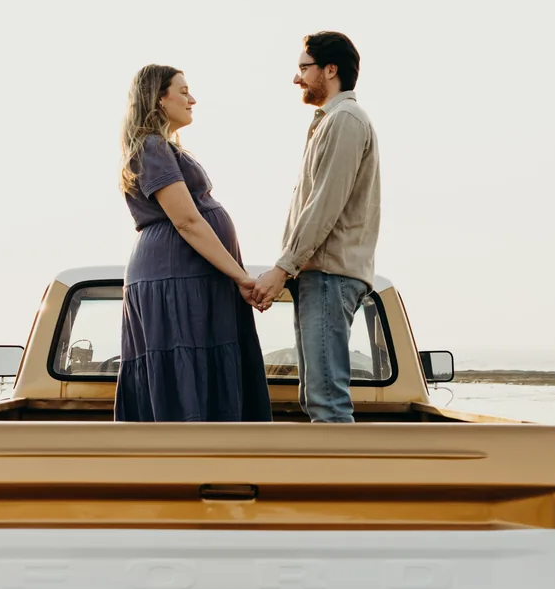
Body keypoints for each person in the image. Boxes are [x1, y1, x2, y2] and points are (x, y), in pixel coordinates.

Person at [114, 63, 272, 423]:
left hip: (191, 275)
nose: (193, 99)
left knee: (202, 371)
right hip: (177, 276)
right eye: (183, 91)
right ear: (158, 97)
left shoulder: (162, 147)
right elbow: (186, 221)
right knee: (187, 372)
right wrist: (242, 278)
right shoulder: (151, 147)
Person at [248, 32, 380, 424]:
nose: (297, 78)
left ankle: (342, 485)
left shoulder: (346, 120)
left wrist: (283, 266)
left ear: (331, 69)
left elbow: (324, 205)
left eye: (303, 68)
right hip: (318, 274)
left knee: (326, 402)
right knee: (316, 397)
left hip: (329, 274)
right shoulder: (330, 121)